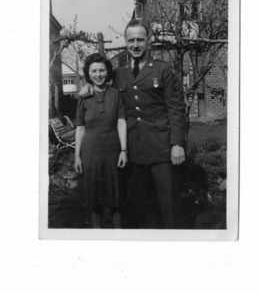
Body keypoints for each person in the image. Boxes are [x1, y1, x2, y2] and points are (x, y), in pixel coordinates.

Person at [80, 20, 186, 228]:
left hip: (161, 148)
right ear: (126, 42)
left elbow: (176, 108)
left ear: (149, 40)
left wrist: (177, 143)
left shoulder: (163, 70)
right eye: (131, 40)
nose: (135, 45)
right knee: (142, 206)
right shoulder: (119, 73)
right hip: (134, 150)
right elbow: (100, 84)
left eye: (140, 39)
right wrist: (86, 87)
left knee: (168, 204)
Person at [74, 53, 128, 228]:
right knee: (94, 199)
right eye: (94, 71)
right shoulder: (84, 97)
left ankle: (118, 235)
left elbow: (121, 121)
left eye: (102, 70)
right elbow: (80, 128)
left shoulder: (116, 94)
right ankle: (97, 236)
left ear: (108, 72)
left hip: (113, 150)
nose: (98, 74)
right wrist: (77, 157)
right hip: (91, 152)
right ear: (88, 74)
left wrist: (123, 150)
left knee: (116, 199)